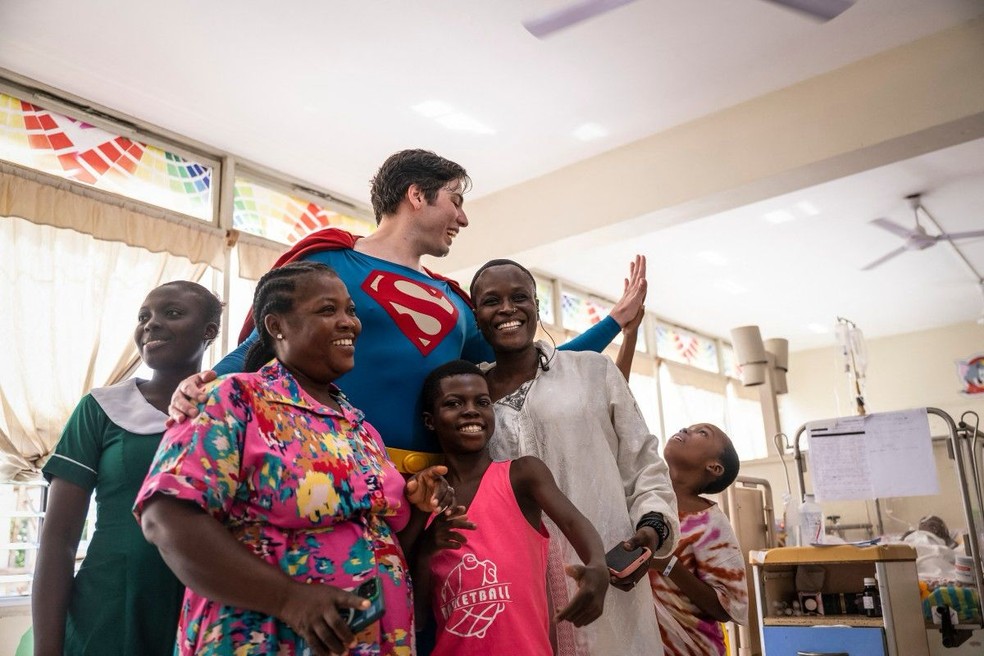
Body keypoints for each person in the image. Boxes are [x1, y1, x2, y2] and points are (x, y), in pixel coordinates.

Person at [168, 150, 647, 474]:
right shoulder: (330, 262)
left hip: (431, 488)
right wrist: (203, 382)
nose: (463, 218)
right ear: (417, 196)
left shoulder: (457, 302)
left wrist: (614, 323)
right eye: (455, 201)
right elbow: (261, 349)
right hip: (324, 468)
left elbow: (531, 366)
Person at [135, 262, 449, 656]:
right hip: (266, 638)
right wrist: (290, 600)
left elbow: (375, 543)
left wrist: (418, 509)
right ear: (276, 325)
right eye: (327, 310)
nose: (348, 322)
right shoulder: (233, 399)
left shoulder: (359, 426)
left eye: (350, 310)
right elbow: (165, 518)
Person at [469, 258, 679, 656]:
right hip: (517, 589)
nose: (507, 309)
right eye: (491, 301)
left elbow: (643, 462)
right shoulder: (471, 401)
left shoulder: (592, 372)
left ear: (536, 305)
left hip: (609, 576)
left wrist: (651, 528)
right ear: (476, 316)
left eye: (519, 297)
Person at [32, 281, 222, 656]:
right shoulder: (102, 408)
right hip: (109, 612)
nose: (150, 325)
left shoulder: (230, 410)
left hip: (206, 607)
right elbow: (58, 540)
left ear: (209, 331)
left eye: (172, 313)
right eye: (143, 317)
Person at [405, 360, 609, 655]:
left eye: (482, 402)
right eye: (454, 403)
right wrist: (426, 548)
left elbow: (574, 522)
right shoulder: (426, 497)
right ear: (430, 420)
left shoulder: (522, 474)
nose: (471, 410)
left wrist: (597, 566)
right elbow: (418, 618)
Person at [648, 423, 748, 656]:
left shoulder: (711, 524)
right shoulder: (645, 502)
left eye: (702, 433)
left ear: (714, 467)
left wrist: (668, 564)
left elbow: (727, 607)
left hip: (694, 648)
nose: (685, 429)